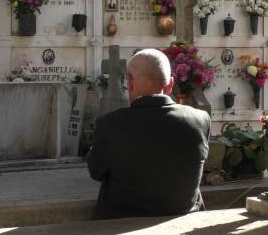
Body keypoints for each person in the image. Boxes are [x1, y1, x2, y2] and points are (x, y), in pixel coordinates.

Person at [87, 49, 211, 220]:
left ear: (129, 81)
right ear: (170, 84)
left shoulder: (110, 124)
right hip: (183, 219)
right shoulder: (200, 119)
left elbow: (96, 171)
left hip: (121, 224)